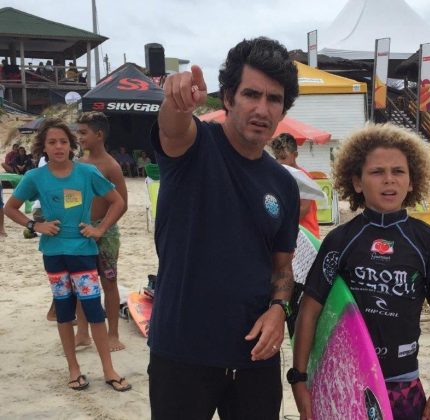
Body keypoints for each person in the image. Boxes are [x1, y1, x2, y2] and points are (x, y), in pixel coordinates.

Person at [148, 37, 300, 419]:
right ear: (228, 98)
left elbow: (282, 267)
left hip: (255, 357)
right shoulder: (195, 147)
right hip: (181, 353)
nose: (262, 109)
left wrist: (279, 309)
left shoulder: (283, 184)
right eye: (251, 94)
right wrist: (176, 101)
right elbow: (172, 128)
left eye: (274, 99)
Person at [292, 123, 430, 420]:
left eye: (398, 172)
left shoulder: (427, 241)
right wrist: (299, 378)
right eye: (377, 172)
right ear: (356, 182)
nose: (389, 180)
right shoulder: (340, 241)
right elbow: (309, 310)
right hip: (348, 383)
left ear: (411, 182)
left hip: (404, 384)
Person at [2, 118, 131, 392]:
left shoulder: (86, 173)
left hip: (83, 251)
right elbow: (10, 207)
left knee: (94, 309)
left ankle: (108, 369)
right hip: (54, 254)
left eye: (63, 141)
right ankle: (74, 369)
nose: (58, 146)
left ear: (71, 145)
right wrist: (35, 226)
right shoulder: (35, 177)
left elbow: (117, 201)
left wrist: (101, 230)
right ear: (43, 147)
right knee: (63, 311)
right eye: (52, 142)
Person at [69, 111, 128, 351]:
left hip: (105, 233)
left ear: (99, 135)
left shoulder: (111, 166)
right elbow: (75, 197)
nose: (79, 137)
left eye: (84, 133)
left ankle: (112, 333)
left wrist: (102, 228)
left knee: (109, 283)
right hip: (82, 229)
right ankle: (83, 332)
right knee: (82, 281)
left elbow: (122, 203)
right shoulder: (78, 164)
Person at [270, 132, 320, 238]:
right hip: (289, 233)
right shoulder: (279, 176)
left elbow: (304, 209)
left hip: (306, 233)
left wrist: (283, 227)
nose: (279, 162)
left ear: (295, 155)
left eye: (283, 158)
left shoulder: (303, 177)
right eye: (276, 158)